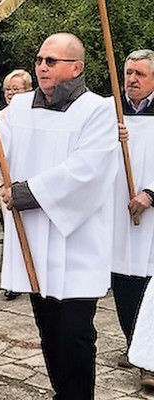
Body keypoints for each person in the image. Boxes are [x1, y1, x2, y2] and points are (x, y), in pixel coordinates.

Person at [0, 33, 119, 399]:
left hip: (77, 244)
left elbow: (88, 170)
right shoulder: (20, 108)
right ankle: (61, 393)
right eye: (39, 59)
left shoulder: (98, 109)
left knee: (75, 333)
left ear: (77, 67)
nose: (42, 66)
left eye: (51, 61)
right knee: (49, 331)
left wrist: (24, 193)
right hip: (33, 241)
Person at [112, 49, 154, 388]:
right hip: (118, 214)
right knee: (125, 284)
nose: (131, 79)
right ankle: (134, 347)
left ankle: (149, 358)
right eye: (128, 72)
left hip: (151, 215)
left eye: (139, 73)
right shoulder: (112, 112)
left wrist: (151, 193)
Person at [0, 69, 34, 301]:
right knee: (10, 230)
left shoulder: (35, 114)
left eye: (16, 89)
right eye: (8, 89)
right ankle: (13, 281)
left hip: (28, 181)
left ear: (28, 90)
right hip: (7, 181)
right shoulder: (2, 115)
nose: (10, 94)